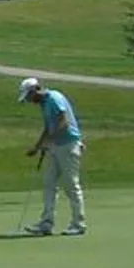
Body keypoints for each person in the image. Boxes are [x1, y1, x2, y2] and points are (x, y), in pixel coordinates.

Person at [17, 76, 86, 235]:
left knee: (71, 185)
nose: (28, 100)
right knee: (49, 184)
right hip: (56, 146)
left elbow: (63, 121)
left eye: (28, 96)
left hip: (68, 145)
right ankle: (46, 223)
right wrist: (38, 146)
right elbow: (49, 127)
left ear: (35, 90)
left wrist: (50, 141)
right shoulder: (43, 104)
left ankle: (78, 224)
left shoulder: (54, 98)